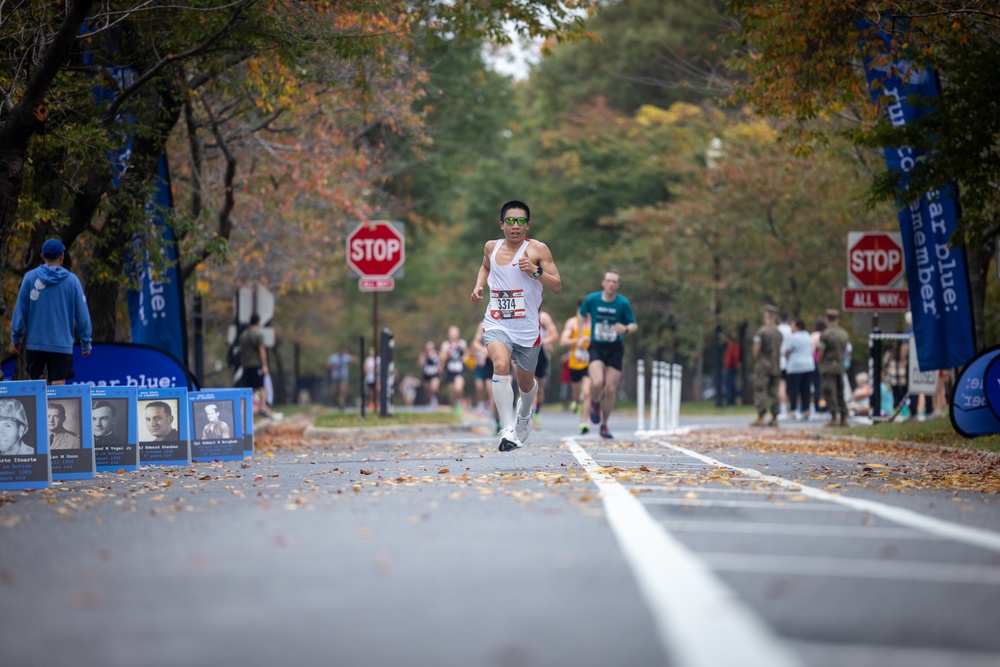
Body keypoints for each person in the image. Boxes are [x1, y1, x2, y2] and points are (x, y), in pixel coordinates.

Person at [470, 199, 562, 452]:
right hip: (497, 322)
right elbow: (485, 267)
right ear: (501, 225)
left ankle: (524, 413)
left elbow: (557, 286)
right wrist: (479, 285)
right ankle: (508, 427)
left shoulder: (538, 250)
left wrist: (535, 272)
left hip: (527, 329)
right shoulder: (491, 247)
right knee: (500, 365)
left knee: (526, 384)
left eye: (521, 221)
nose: (515, 226)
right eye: (510, 221)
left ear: (528, 225)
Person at [10, 238, 92, 384]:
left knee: (36, 388)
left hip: (36, 344)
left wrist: (16, 337)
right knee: (59, 389)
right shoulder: (72, 281)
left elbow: (20, 310)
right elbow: (82, 315)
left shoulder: (29, 278)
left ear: (42, 257)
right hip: (61, 345)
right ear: (62, 257)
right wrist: (86, 342)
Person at [581, 269, 637, 439]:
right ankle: (595, 403)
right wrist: (582, 333)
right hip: (596, 345)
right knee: (597, 382)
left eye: (615, 282)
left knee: (611, 389)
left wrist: (625, 329)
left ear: (618, 285)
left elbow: (634, 325)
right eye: (608, 281)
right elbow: (581, 314)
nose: (611, 284)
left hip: (615, 347)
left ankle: (604, 425)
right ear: (603, 283)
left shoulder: (623, 303)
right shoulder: (592, 299)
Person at [560, 303, 592, 434]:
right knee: (577, 393)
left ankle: (583, 423)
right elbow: (562, 342)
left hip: (590, 363)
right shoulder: (572, 323)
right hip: (575, 363)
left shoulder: (594, 324)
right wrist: (577, 341)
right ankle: (576, 401)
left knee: (586, 393)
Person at [239, 314, 277, 419]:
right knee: (261, 388)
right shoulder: (258, 335)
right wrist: (264, 365)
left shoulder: (243, 335)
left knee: (248, 388)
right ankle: (261, 409)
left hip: (246, 365)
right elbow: (261, 350)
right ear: (258, 322)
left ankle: (246, 409)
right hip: (256, 365)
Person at [750, 305, 782, 427]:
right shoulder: (779, 332)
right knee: (774, 391)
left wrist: (757, 359)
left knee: (760, 389)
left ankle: (761, 416)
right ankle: (775, 417)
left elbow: (756, 348)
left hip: (763, 365)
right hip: (776, 365)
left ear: (767, 316)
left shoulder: (762, 331)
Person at [818, 309, 851, 427]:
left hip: (828, 366)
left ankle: (834, 416)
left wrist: (820, 363)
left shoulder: (825, 334)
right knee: (840, 391)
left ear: (827, 319)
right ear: (838, 319)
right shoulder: (844, 334)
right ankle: (844, 417)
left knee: (829, 391)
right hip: (840, 366)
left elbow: (821, 352)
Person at [783, 319, 816, 421]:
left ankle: (793, 410)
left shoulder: (792, 337)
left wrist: (789, 360)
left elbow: (786, 352)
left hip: (795, 367)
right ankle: (806, 410)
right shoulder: (807, 335)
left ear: (797, 327)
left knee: (794, 390)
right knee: (805, 390)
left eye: (792, 325)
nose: (791, 327)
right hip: (808, 366)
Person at [533, 310, 559, 429]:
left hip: (540, 352)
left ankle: (537, 411)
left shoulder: (543, 317)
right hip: (525, 350)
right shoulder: (520, 312)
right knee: (523, 381)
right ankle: (524, 411)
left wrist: (544, 342)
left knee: (540, 385)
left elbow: (554, 334)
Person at [440, 326, 469, 414]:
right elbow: (441, 358)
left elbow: (467, 354)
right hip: (449, 372)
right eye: (451, 333)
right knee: (452, 393)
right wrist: (446, 353)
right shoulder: (445, 345)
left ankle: (460, 401)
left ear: (458, 334)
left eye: (455, 333)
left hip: (459, 371)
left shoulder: (462, 343)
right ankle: (454, 405)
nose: (453, 335)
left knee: (458, 388)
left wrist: (465, 358)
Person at [417, 341, 440, 408]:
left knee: (434, 387)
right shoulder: (423, 355)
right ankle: (428, 401)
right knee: (427, 390)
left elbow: (440, 364)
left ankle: (434, 398)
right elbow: (420, 364)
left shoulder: (437, 355)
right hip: (426, 375)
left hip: (434, 374)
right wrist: (423, 359)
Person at [723, 332, 741, 406]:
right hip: (732, 367)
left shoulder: (732, 346)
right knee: (731, 384)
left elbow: (732, 357)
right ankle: (731, 400)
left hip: (731, 367)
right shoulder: (733, 345)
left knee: (729, 384)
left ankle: (730, 401)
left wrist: (727, 364)